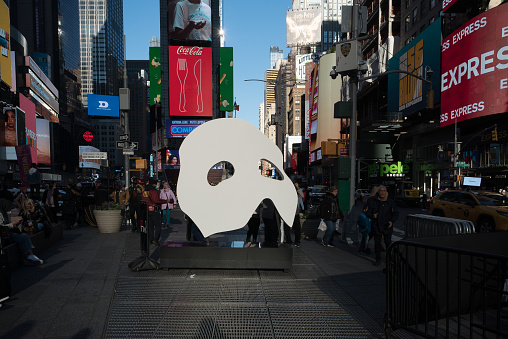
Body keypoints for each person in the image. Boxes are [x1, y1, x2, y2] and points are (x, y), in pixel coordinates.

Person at [366, 185, 399, 266]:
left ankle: (390, 259)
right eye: (381, 191)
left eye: (384, 191)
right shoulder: (372, 200)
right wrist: (372, 215)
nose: (382, 192)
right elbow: (367, 212)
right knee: (377, 243)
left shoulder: (390, 201)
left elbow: (396, 213)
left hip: (387, 226)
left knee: (388, 243)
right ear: (378, 192)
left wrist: (391, 221)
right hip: (376, 225)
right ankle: (378, 259)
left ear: (386, 192)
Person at [141, 178, 168, 248]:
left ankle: (150, 239)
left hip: (147, 210)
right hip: (154, 210)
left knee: (150, 225)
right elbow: (157, 201)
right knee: (158, 225)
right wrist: (166, 201)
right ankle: (156, 239)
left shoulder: (144, 191)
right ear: (154, 184)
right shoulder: (153, 191)